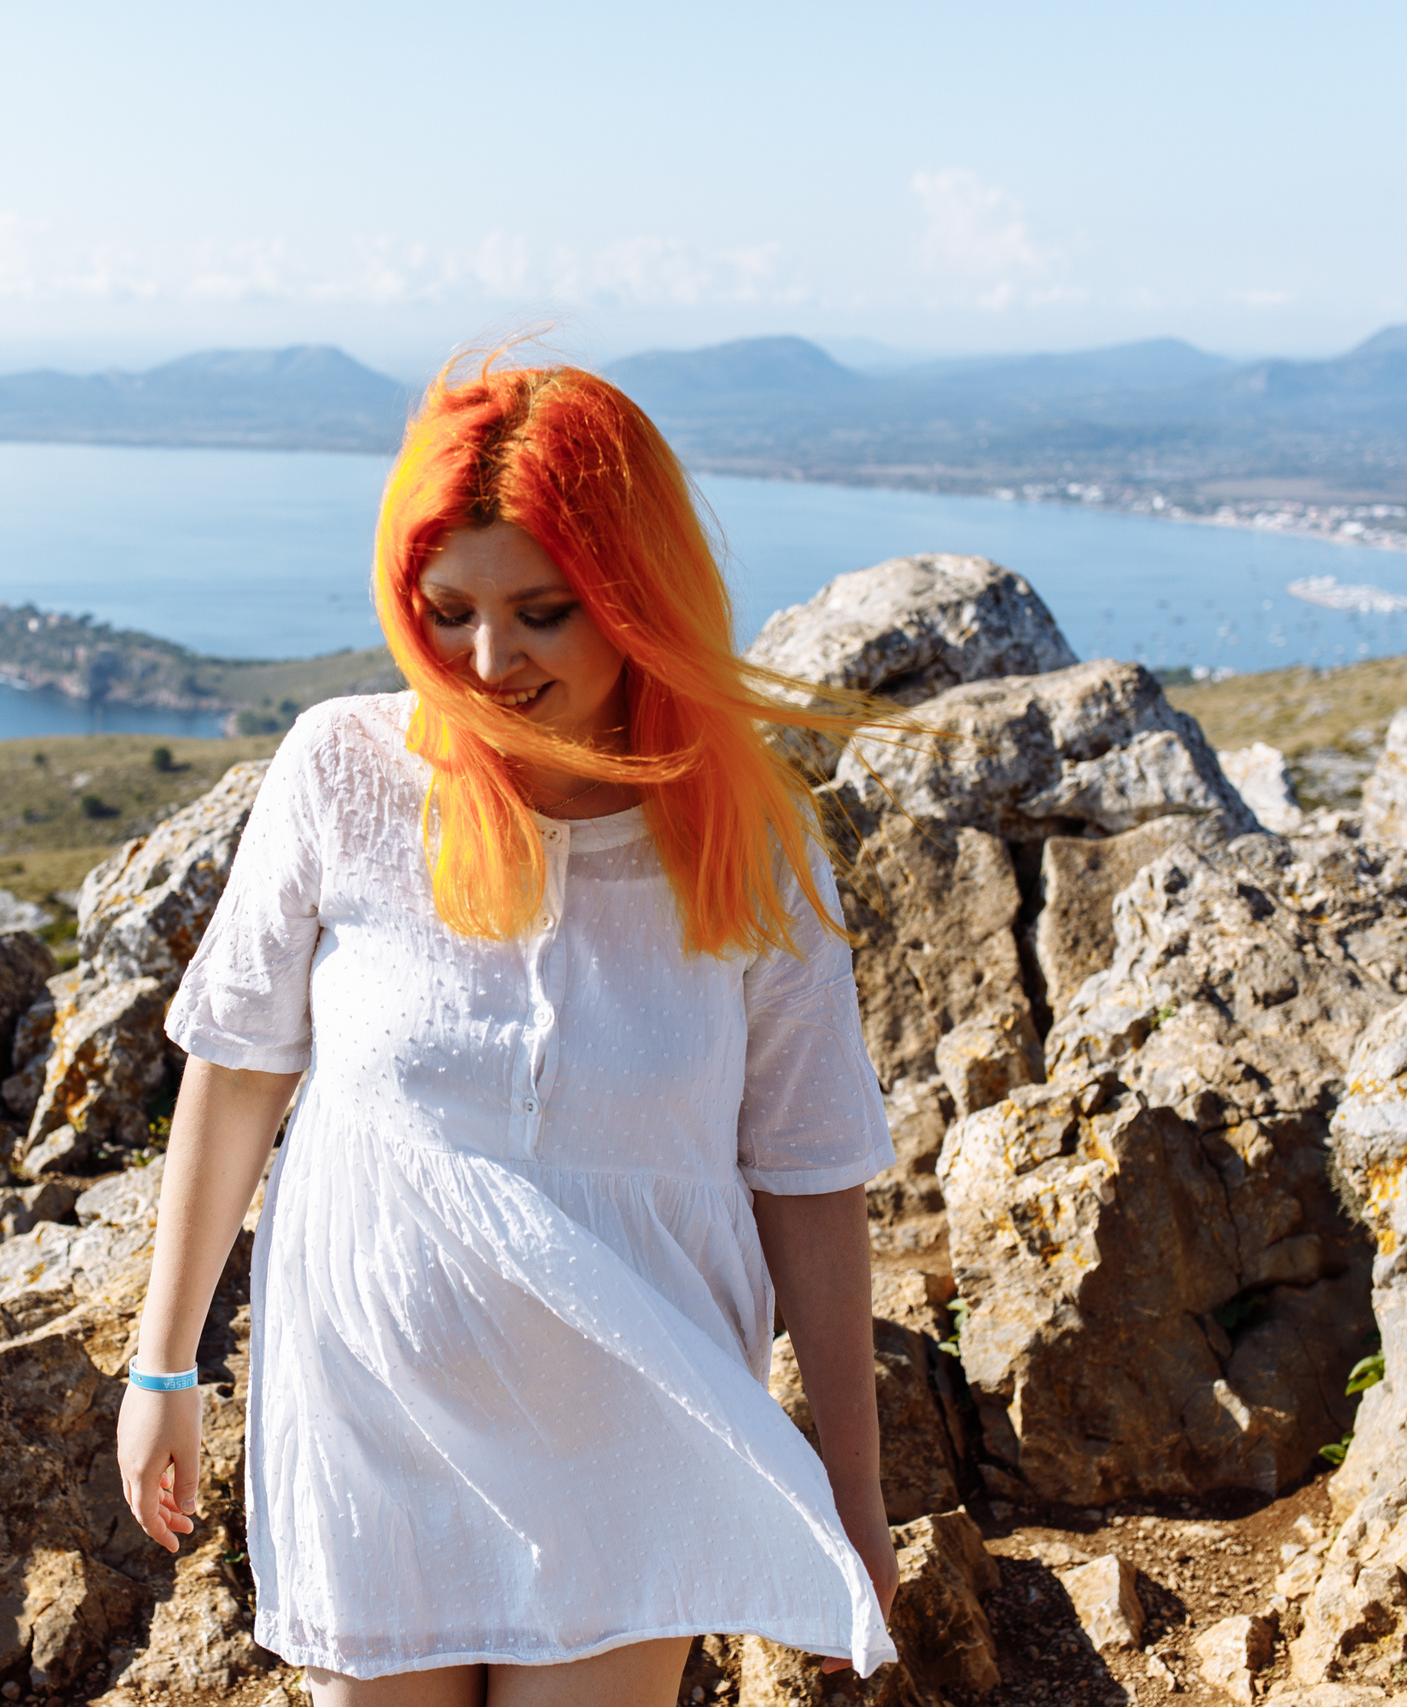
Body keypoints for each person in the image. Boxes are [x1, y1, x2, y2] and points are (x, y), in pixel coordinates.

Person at [116, 354, 905, 1707]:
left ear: (639, 597)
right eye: (450, 612)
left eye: (544, 612)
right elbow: (236, 1069)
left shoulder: (751, 848)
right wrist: (164, 1364)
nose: (490, 663)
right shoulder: (343, 771)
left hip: (632, 1434)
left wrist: (855, 1490)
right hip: (376, 1415)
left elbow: (810, 1173)